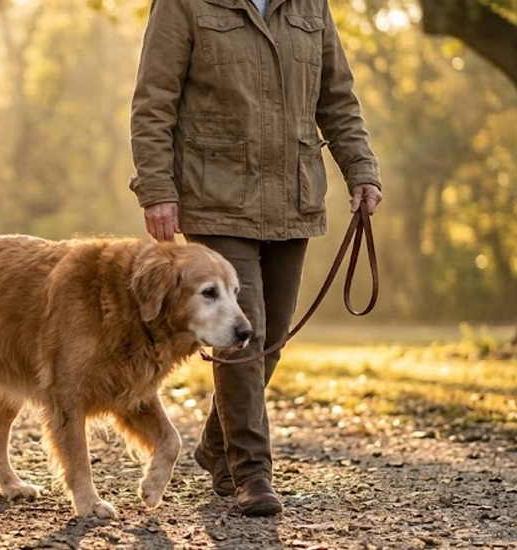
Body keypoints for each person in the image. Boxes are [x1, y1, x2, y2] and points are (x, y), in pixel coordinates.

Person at [128, 0, 383, 516]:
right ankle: (251, 474)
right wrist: (157, 188)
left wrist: (361, 168)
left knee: (272, 341)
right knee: (247, 334)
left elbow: (337, 98)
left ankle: (216, 447)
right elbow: (154, 101)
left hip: (293, 197)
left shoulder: (311, 6)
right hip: (215, 198)